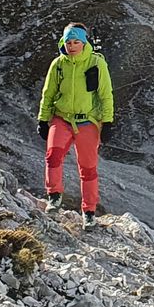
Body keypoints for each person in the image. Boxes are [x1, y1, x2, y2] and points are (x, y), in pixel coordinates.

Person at [38, 22, 114, 224]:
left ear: (83, 42)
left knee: (88, 168)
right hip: (61, 118)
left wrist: (107, 122)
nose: (71, 46)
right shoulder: (58, 64)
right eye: (68, 42)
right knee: (53, 156)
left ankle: (89, 212)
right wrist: (43, 119)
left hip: (88, 122)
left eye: (76, 42)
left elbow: (106, 95)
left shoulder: (96, 63)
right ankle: (54, 196)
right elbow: (48, 94)